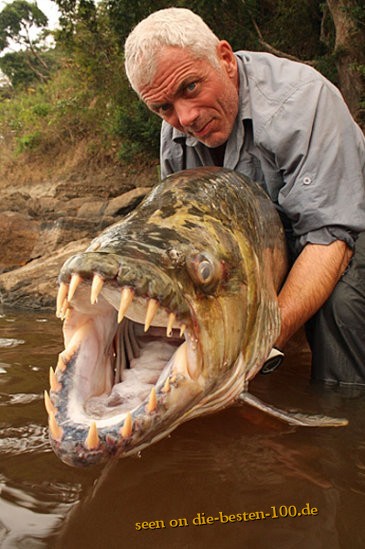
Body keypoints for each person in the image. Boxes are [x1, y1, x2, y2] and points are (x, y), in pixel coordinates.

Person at [124, 7, 365, 385]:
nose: (184, 118)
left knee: (340, 308)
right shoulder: (174, 136)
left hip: (344, 223)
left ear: (224, 59)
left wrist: (254, 348)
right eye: (163, 107)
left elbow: (329, 238)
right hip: (270, 241)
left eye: (190, 88)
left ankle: (343, 426)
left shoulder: (303, 100)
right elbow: (184, 240)